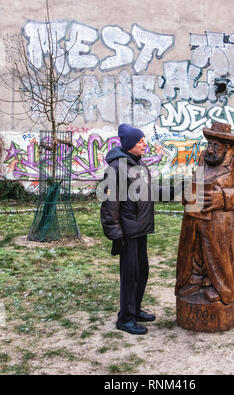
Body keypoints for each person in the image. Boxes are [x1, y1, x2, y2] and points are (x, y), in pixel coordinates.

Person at [100, 124, 160, 335]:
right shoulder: (117, 168)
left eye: (144, 139)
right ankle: (125, 319)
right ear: (129, 144)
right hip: (127, 232)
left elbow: (147, 192)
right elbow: (109, 204)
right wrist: (115, 235)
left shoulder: (138, 165)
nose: (145, 144)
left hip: (140, 229)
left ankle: (134, 310)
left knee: (142, 272)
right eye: (140, 140)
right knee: (130, 275)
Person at [175, 121, 234, 305]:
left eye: (216, 145)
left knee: (217, 252)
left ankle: (219, 287)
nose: (210, 150)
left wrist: (222, 196)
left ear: (226, 147)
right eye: (209, 144)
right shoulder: (203, 156)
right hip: (195, 213)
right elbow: (195, 180)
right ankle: (195, 280)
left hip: (219, 218)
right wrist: (187, 193)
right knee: (193, 249)